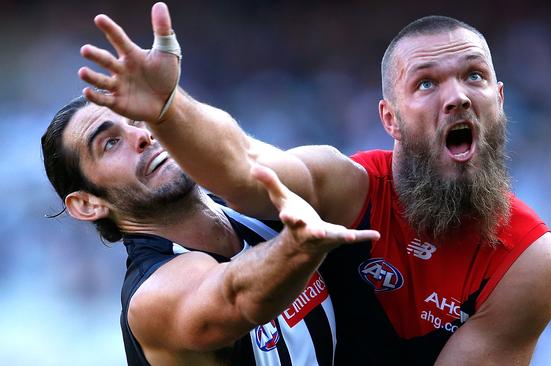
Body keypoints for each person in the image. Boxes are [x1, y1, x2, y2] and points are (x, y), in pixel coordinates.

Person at [78, 2, 551, 365]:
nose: (458, 97)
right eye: (426, 83)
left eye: (475, 76)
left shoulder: (528, 262)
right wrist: (168, 109)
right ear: (389, 119)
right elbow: (243, 164)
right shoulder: (346, 187)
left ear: (500, 99)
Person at [42, 93, 378, 364]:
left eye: (136, 120)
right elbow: (238, 297)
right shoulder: (151, 298)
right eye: (110, 143)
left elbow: (257, 156)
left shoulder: (259, 204)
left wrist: (167, 98)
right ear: (88, 204)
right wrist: (298, 246)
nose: (142, 136)